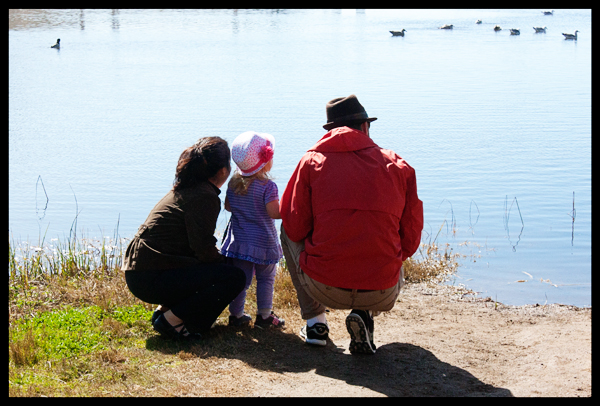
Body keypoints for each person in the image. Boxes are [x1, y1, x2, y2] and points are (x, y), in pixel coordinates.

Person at [279, 95, 423, 354]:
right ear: (365, 127)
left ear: (330, 130)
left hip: (324, 288)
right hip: (383, 290)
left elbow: (295, 226)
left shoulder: (311, 162)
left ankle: (315, 324)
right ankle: (364, 314)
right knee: (377, 237)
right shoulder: (398, 165)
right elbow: (410, 241)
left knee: (287, 227)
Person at [123, 137, 247, 340]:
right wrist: (225, 264)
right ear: (223, 171)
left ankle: (167, 312)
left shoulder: (186, 187)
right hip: (150, 277)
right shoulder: (205, 197)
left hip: (140, 273)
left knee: (214, 273)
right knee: (234, 277)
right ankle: (173, 321)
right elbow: (203, 248)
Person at [221, 131, 285, 329]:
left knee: (242, 281)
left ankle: (236, 315)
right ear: (265, 162)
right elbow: (274, 213)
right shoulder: (268, 187)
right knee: (266, 278)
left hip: (239, 243)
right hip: (263, 242)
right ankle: (264, 317)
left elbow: (228, 207)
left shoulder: (233, 184)